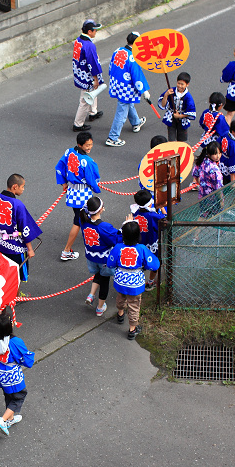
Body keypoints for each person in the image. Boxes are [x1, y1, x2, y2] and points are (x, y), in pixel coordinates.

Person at [0, 310, 34, 436]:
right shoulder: (15, 342)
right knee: (20, 395)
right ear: (10, 327)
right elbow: (27, 361)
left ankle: (10, 419)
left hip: (0, 373)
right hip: (12, 374)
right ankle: (3, 420)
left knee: (8, 394)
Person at [107, 220, 160, 340]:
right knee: (134, 305)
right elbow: (154, 264)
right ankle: (132, 329)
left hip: (120, 280)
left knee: (121, 297)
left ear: (123, 236)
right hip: (135, 283)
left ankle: (120, 314)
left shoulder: (118, 247)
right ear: (138, 236)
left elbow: (110, 263)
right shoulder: (141, 248)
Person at [0, 173, 42, 282]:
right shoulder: (17, 204)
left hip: (1, 243)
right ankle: (17, 295)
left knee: (6, 270)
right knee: (18, 273)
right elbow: (24, 228)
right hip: (16, 247)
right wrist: (30, 249)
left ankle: (7, 293)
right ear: (15, 187)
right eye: (22, 187)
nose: (23, 189)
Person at [56, 132, 101, 261]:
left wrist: (64, 183)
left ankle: (91, 236)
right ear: (80, 145)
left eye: (91, 144)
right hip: (83, 193)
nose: (89, 147)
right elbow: (93, 179)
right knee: (79, 220)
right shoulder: (87, 161)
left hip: (72, 191)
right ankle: (66, 250)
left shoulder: (69, 152)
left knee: (86, 216)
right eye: (87, 145)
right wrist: (96, 188)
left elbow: (59, 167)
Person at [105, 31, 149, 147]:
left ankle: (136, 122)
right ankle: (113, 137)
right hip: (127, 88)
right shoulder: (133, 58)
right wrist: (144, 90)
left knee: (129, 104)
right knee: (122, 112)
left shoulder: (117, 50)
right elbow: (137, 77)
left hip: (117, 84)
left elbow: (110, 67)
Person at [80, 196, 121, 316]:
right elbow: (115, 239)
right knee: (104, 280)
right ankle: (100, 307)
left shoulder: (83, 221)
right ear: (100, 210)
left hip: (90, 257)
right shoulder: (104, 226)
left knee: (97, 274)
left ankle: (91, 295)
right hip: (104, 259)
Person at [71, 18, 104, 131]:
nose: (96, 32)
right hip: (87, 76)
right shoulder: (89, 45)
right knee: (85, 99)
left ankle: (92, 112)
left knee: (92, 93)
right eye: (95, 30)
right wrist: (96, 78)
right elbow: (92, 64)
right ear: (89, 31)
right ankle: (78, 124)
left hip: (80, 73)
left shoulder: (78, 40)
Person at [131, 189, 165, 291]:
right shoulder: (153, 216)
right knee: (156, 263)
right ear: (150, 204)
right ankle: (150, 282)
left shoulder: (135, 213)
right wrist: (162, 208)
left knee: (140, 264)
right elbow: (166, 220)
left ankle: (137, 282)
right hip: (152, 244)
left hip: (139, 244)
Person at [158, 72, 196, 142]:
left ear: (187, 84)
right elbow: (163, 105)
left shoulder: (188, 97)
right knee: (171, 139)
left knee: (182, 140)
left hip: (182, 119)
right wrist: (166, 95)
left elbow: (191, 112)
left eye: (182, 84)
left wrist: (180, 116)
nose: (180, 86)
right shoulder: (171, 91)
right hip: (171, 117)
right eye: (178, 83)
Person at [193, 141, 225, 219]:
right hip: (214, 198)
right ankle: (220, 231)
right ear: (210, 154)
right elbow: (218, 188)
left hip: (202, 195)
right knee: (219, 218)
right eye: (215, 154)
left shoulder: (202, 161)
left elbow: (195, 174)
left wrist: (201, 184)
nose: (218, 156)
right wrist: (221, 201)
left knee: (203, 217)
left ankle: (195, 231)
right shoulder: (214, 170)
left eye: (219, 153)